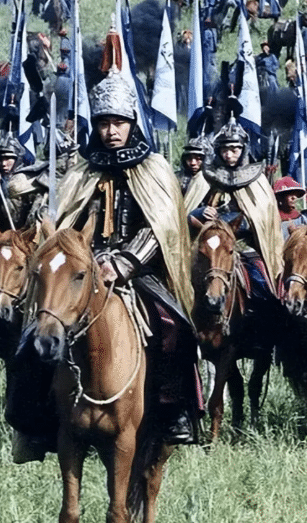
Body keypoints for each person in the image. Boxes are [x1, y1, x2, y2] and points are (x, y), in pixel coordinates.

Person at [45, 66, 203, 447]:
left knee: (174, 327)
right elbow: (68, 224)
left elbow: (163, 226)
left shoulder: (154, 168)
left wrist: (123, 263)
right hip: (83, 268)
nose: (111, 131)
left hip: (138, 269)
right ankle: (36, 419)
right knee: (38, 326)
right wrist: (82, 259)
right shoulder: (82, 170)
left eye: (118, 123)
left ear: (132, 122)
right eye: (104, 123)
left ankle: (173, 412)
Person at [184, 104, 284, 357]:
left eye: (235, 149)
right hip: (206, 247)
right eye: (225, 149)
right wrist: (200, 213)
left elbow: (263, 218)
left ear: (243, 150)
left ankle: (264, 337)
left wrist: (230, 222)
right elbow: (185, 213)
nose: (230, 155)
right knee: (182, 284)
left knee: (264, 287)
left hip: (244, 247)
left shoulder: (256, 180)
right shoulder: (204, 178)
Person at [273, 176, 307, 240]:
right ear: (280, 197)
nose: (294, 197)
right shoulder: (274, 220)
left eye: (295, 194)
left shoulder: (302, 219)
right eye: (290, 194)